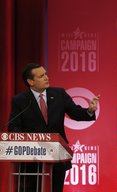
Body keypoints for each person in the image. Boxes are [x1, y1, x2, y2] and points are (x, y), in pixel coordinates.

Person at [8, 63, 99, 192]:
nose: (46, 77)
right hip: (31, 161)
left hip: (57, 157)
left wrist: (89, 110)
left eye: (45, 74)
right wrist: (26, 140)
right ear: (30, 81)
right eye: (41, 76)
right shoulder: (20, 100)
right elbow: (13, 126)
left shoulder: (59, 94)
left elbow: (75, 113)